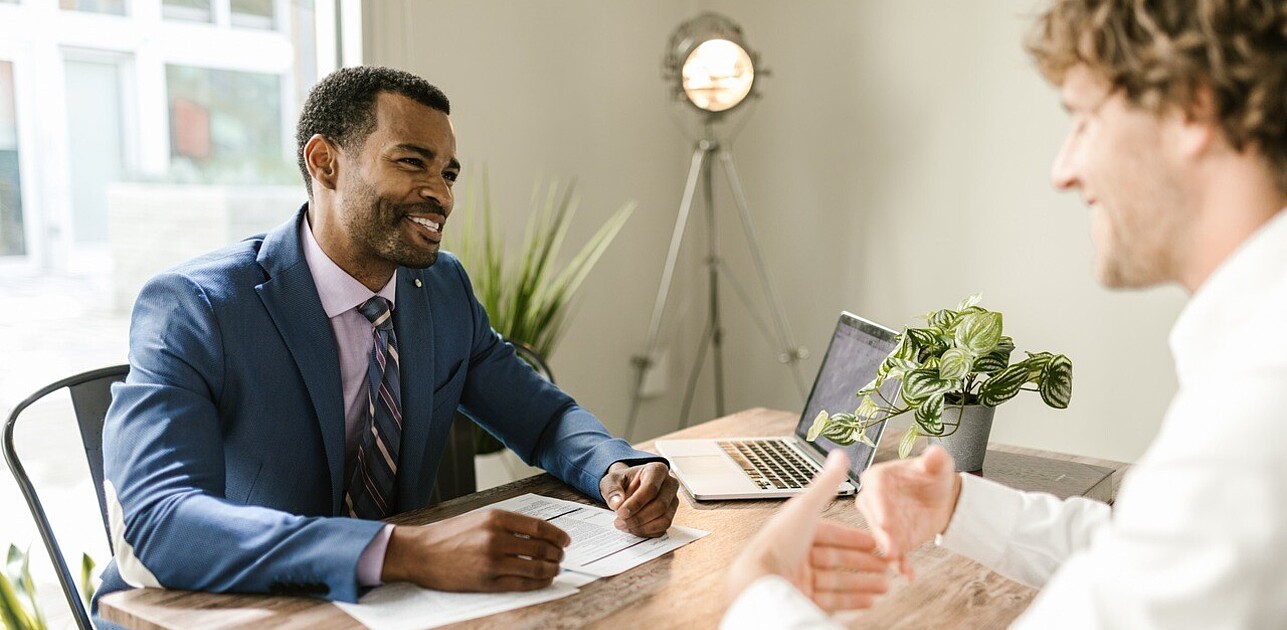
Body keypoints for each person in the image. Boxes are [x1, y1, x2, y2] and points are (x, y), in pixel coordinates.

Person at [725, 0, 1287, 627]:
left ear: (1192, 107)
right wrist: (959, 507)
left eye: (1083, 119)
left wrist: (757, 594)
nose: (1063, 170)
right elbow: (1148, 553)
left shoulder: (1257, 413)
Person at [94, 65, 680, 616]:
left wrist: (615, 466)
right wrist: (403, 551)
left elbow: (543, 420)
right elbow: (157, 522)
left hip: (391, 608)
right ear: (325, 162)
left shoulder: (442, 287)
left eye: (448, 173)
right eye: (412, 163)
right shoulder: (195, 308)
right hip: (227, 610)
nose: (442, 194)